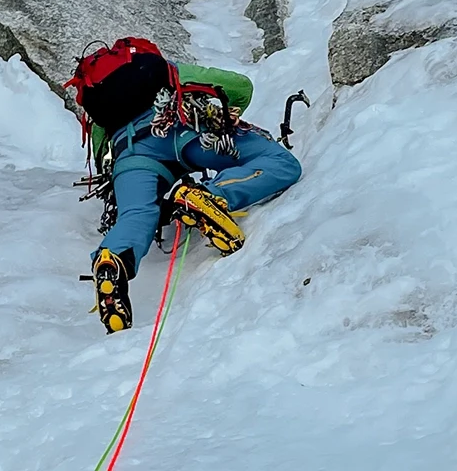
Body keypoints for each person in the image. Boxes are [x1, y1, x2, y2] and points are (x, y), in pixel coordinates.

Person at [67, 37, 302, 333]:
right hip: (184, 129)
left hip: (131, 153)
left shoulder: (101, 102)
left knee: (136, 214)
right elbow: (240, 86)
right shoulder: (166, 70)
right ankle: (211, 196)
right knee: (279, 163)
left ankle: (113, 260)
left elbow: (103, 157)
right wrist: (230, 114)